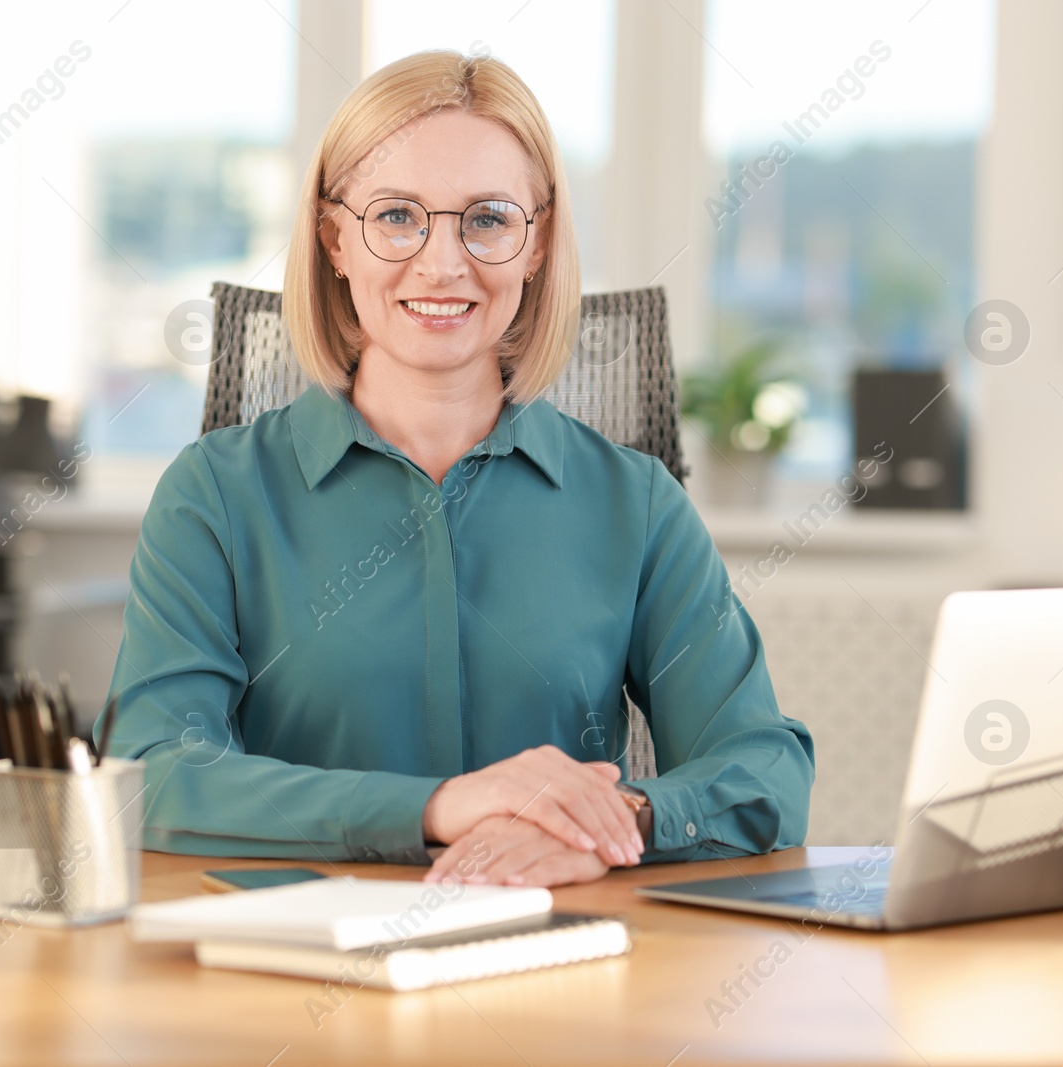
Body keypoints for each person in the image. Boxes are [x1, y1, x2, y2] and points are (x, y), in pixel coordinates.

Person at [99, 49, 814, 888]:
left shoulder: (637, 504)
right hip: (291, 976)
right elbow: (149, 775)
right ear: (334, 239)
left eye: (487, 218)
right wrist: (439, 805)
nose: (443, 264)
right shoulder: (214, 496)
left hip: (568, 960)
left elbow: (765, 769)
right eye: (397, 216)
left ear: (536, 243)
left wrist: (613, 825)